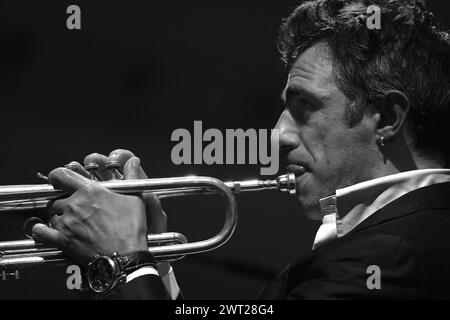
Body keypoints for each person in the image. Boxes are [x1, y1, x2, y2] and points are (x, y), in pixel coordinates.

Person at [32, 0, 450, 299]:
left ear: (388, 118)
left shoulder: (394, 257)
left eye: (305, 107)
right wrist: (151, 255)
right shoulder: (386, 244)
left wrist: (123, 262)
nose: (278, 136)